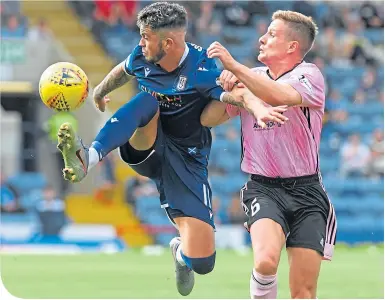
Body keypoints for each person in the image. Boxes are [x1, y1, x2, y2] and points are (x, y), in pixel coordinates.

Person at [56, 2, 287, 296]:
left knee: (203, 262)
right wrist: (101, 91)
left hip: (187, 160)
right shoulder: (142, 55)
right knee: (147, 101)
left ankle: (180, 254)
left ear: (168, 42)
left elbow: (237, 95)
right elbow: (123, 70)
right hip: (147, 146)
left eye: (146, 37)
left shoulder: (202, 68)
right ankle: (88, 156)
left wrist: (258, 109)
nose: (140, 43)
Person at [202, 10, 337, 299]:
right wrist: (227, 92)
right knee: (265, 262)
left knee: (303, 291)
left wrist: (236, 69)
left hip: (307, 192)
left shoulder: (309, 75)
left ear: (292, 47)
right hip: (264, 188)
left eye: (272, 34)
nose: (262, 39)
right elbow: (209, 119)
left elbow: (279, 95)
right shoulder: (251, 78)